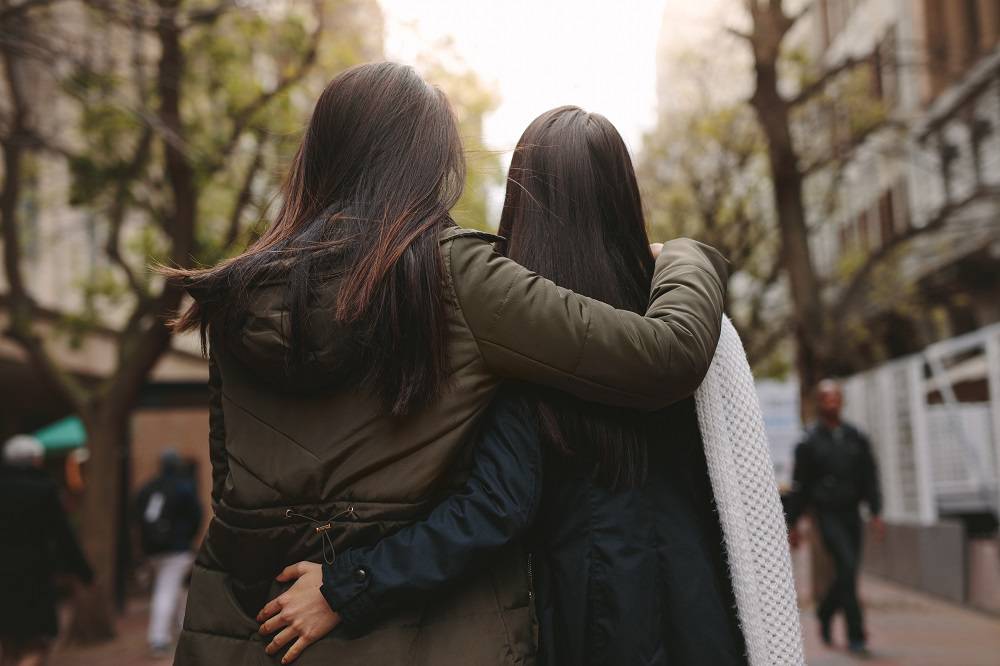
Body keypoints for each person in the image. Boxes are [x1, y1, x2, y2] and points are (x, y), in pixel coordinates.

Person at [167, 62, 729, 665]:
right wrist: (688, 255)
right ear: (428, 163)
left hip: (253, 627)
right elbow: (666, 355)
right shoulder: (456, 279)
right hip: (422, 635)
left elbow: (230, 490)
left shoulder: (232, 298)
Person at [786, 379, 884, 656]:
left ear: (841, 401)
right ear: (819, 402)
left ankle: (826, 611)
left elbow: (869, 476)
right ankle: (856, 634)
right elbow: (800, 485)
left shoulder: (856, 437)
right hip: (826, 515)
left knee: (847, 572)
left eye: (836, 397)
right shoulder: (809, 441)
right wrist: (793, 523)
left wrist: (876, 511)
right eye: (826, 398)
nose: (832, 402)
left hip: (852, 513)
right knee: (847, 565)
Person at [0, 435, 93, 666]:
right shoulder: (44, 489)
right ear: (34, 460)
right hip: (34, 574)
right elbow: (63, 535)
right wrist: (83, 571)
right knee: (37, 643)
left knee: (9, 641)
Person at [134, 450, 203, 657]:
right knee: (167, 590)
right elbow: (197, 515)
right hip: (177, 549)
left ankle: (185, 631)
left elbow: (136, 515)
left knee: (178, 589)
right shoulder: (183, 487)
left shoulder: (148, 487)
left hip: (153, 550)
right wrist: (187, 537)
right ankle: (159, 639)